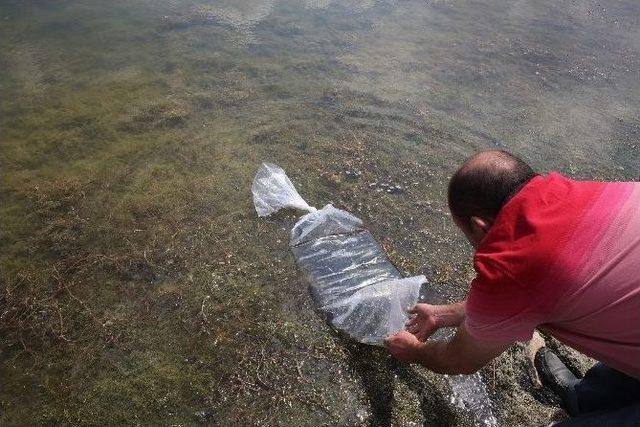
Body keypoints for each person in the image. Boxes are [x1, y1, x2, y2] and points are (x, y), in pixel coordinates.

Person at [383, 150, 640, 425]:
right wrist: (442, 315)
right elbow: (529, 294)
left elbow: (459, 360)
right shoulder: (595, 193)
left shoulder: (513, 257)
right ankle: (586, 398)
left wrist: (414, 351)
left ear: (479, 226)